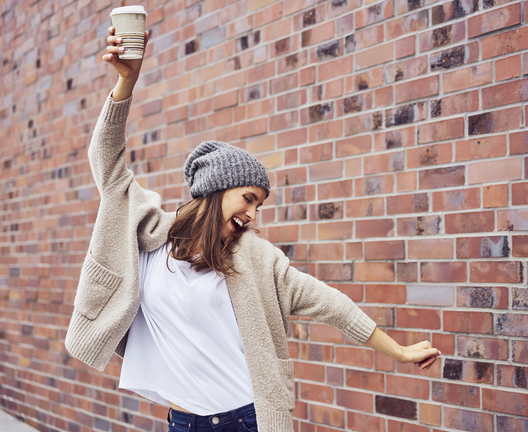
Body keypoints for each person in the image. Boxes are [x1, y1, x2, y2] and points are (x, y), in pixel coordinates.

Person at [65, 26, 441, 432]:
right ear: (215, 189)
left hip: (244, 421)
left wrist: (399, 352)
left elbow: (333, 305)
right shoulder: (148, 232)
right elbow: (105, 155)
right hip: (182, 423)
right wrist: (127, 79)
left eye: (260, 203)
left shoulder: (256, 259)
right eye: (248, 198)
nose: (254, 213)